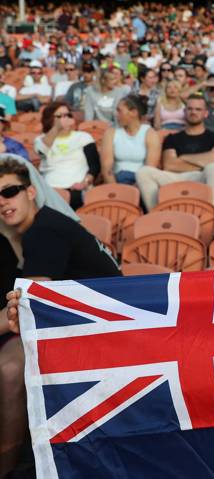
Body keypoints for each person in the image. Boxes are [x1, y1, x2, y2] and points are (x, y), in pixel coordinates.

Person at [0, 158, 120, 475]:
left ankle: (8, 463)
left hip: (103, 329)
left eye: (9, 191)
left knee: (10, 368)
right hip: (73, 322)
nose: (2, 201)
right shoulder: (23, 233)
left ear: (30, 192)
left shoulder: (45, 230)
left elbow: (26, 305)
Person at [135, 95, 214, 217]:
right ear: (184, 112)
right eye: (190, 109)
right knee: (143, 172)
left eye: (198, 109)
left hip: (202, 176)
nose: (193, 112)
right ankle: (157, 216)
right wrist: (203, 160)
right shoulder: (172, 138)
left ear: (205, 113)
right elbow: (170, 164)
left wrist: (183, 157)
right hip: (175, 177)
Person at [35, 101, 100, 209]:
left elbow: (94, 166)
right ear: (49, 119)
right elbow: (42, 150)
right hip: (51, 189)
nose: (64, 119)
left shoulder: (83, 137)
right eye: (59, 116)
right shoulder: (41, 139)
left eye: (68, 115)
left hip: (78, 189)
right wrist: (56, 128)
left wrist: (85, 183)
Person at [101, 95, 161, 185]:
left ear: (133, 112)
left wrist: (133, 192)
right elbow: (107, 169)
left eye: (119, 111)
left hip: (141, 182)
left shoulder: (150, 134)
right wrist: (116, 190)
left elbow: (149, 169)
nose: (116, 114)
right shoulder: (110, 133)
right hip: (117, 180)